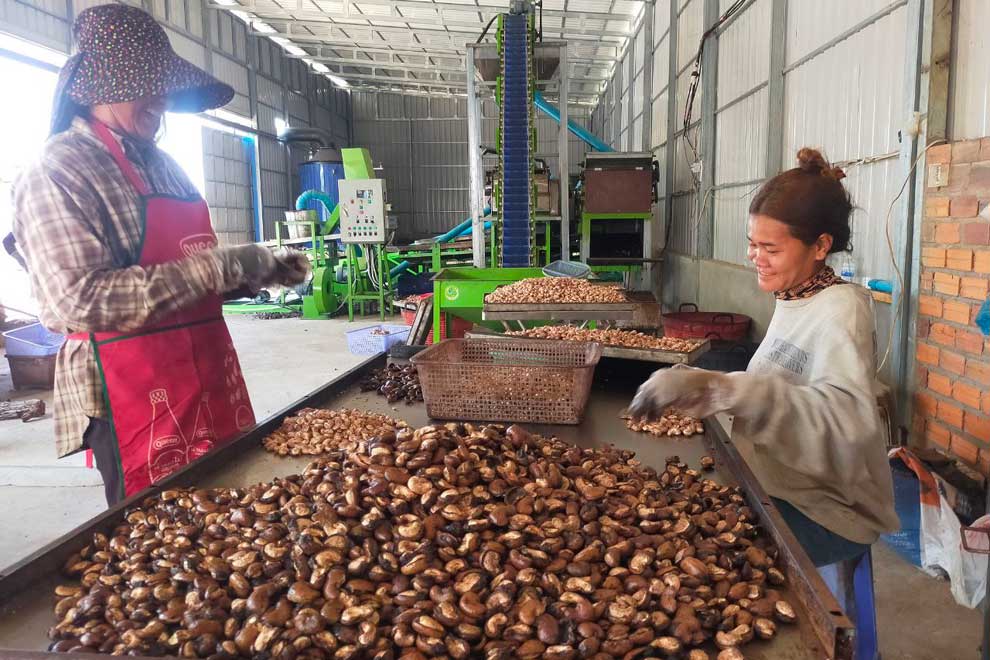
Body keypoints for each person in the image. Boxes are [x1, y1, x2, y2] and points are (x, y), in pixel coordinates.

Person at [12, 4, 310, 505]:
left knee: (236, 522)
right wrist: (223, 265)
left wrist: (257, 272)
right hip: (133, 390)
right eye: (146, 85)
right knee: (161, 546)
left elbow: (194, 270)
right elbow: (76, 302)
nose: (161, 101)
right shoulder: (59, 169)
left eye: (162, 87)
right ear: (102, 87)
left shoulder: (166, 166)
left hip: (209, 372)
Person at [630, 148, 898, 659]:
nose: (756, 257)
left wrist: (723, 389)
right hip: (773, 479)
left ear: (820, 246)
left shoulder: (842, 311)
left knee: (703, 571)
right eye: (753, 244)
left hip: (828, 506)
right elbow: (776, 384)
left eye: (770, 248)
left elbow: (847, 426)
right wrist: (703, 384)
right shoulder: (793, 295)